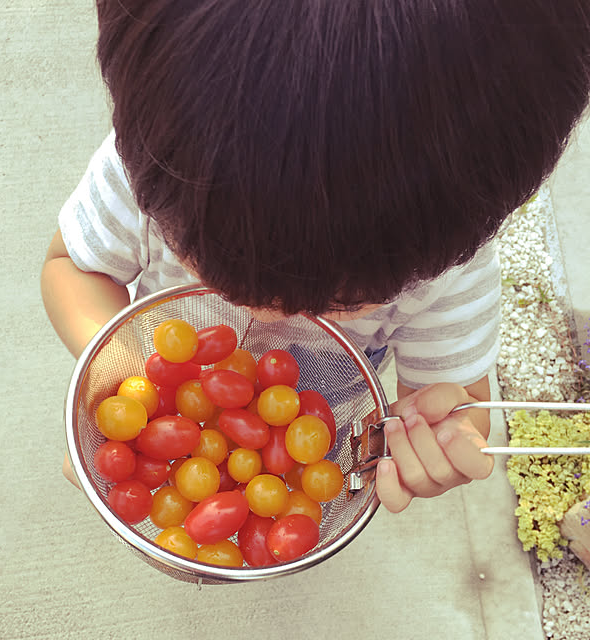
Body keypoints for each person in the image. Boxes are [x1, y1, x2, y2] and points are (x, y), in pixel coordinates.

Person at [41, 0, 590, 513]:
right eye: (205, 264)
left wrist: (445, 438)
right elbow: (73, 266)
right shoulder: (159, 169)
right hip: (182, 403)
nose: (263, 316)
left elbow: (458, 397)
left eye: (338, 302)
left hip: (317, 430)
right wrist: (113, 367)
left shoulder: (445, 272)